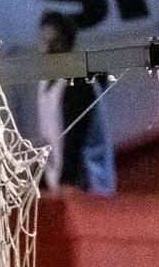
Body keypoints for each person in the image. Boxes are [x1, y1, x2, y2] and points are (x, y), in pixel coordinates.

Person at [35, 11, 115, 195]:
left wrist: (68, 179)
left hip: (86, 182)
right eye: (46, 41)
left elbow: (75, 135)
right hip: (60, 178)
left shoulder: (78, 82)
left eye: (54, 43)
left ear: (67, 43)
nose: (48, 48)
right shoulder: (46, 82)